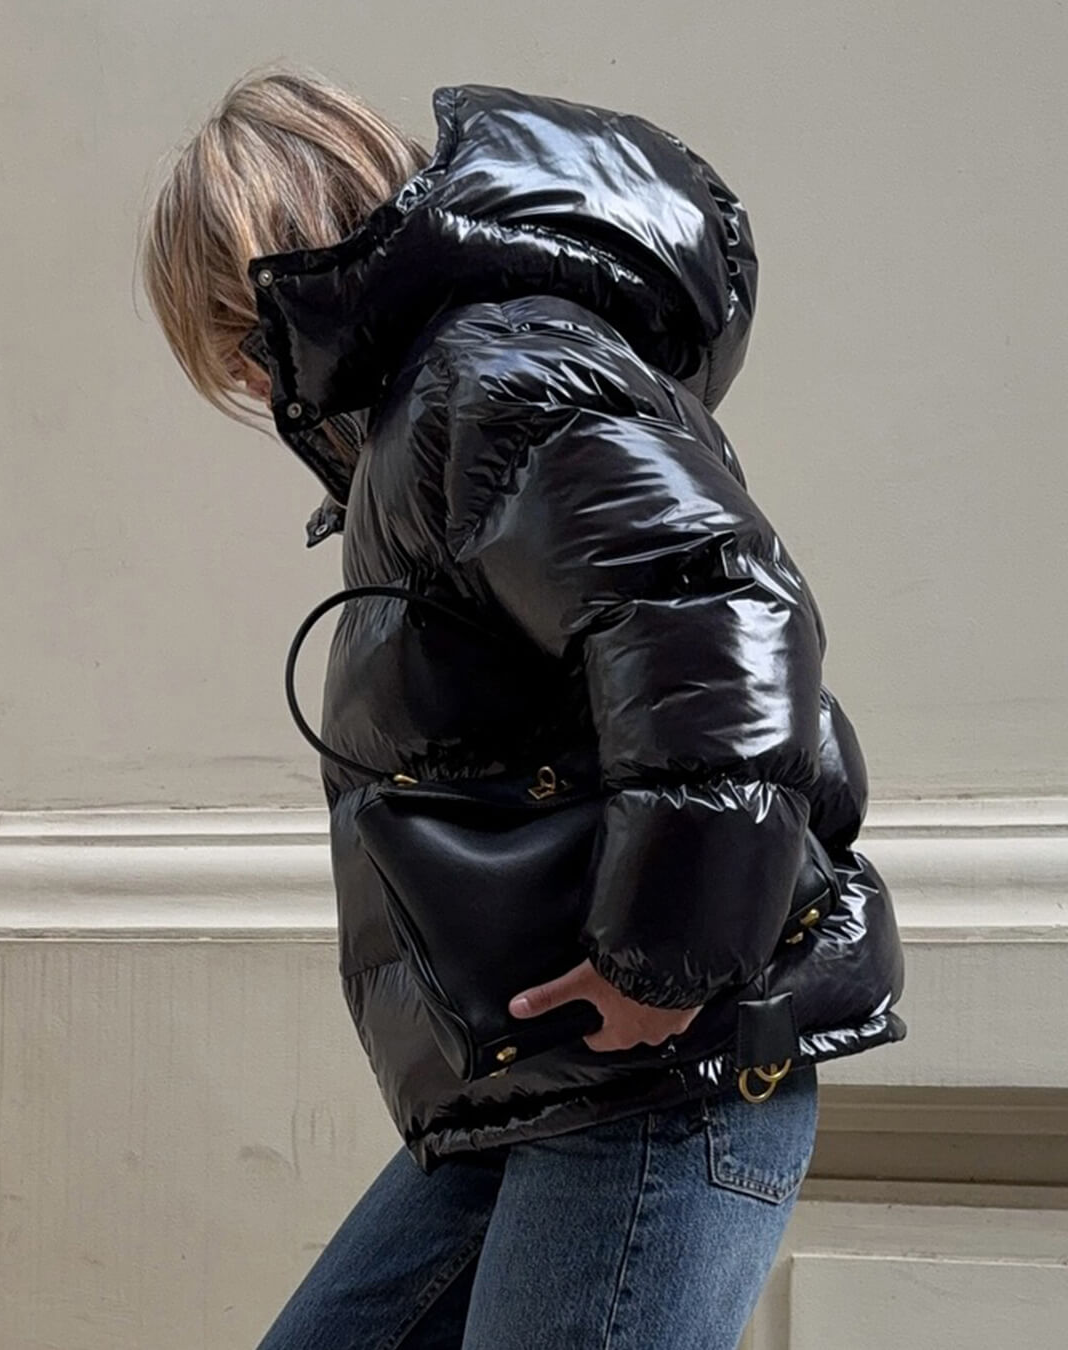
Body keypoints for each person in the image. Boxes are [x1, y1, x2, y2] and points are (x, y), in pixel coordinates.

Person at [139, 63, 907, 1350]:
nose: (248, 382)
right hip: (536, 1083)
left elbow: (718, 620)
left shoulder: (497, 377)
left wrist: (664, 956)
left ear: (268, 278)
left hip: (653, 1081)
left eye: (229, 336)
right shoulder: (443, 402)